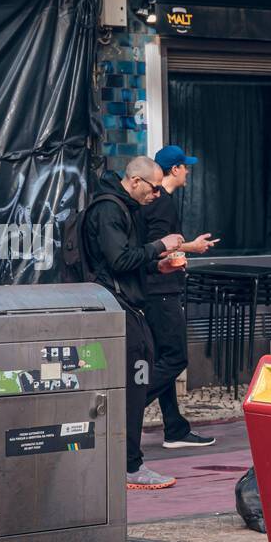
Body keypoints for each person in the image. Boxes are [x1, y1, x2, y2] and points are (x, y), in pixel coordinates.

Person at [82, 156, 183, 490]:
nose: (156, 195)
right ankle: (129, 466)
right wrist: (159, 246)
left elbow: (126, 263)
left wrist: (158, 267)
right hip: (119, 308)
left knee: (131, 383)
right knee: (133, 385)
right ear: (136, 181)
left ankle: (123, 461)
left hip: (122, 304)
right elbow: (120, 259)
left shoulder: (124, 207)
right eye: (153, 188)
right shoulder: (110, 209)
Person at [140, 145, 219, 448]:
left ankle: (174, 428)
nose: (188, 171)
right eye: (185, 166)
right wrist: (191, 248)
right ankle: (128, 411)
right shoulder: (162, 204)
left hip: (157, 289)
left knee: (164, 357)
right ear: (174, 170)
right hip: (161, 291)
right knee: (175, 358)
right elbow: (155, 244)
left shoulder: (156, 202)